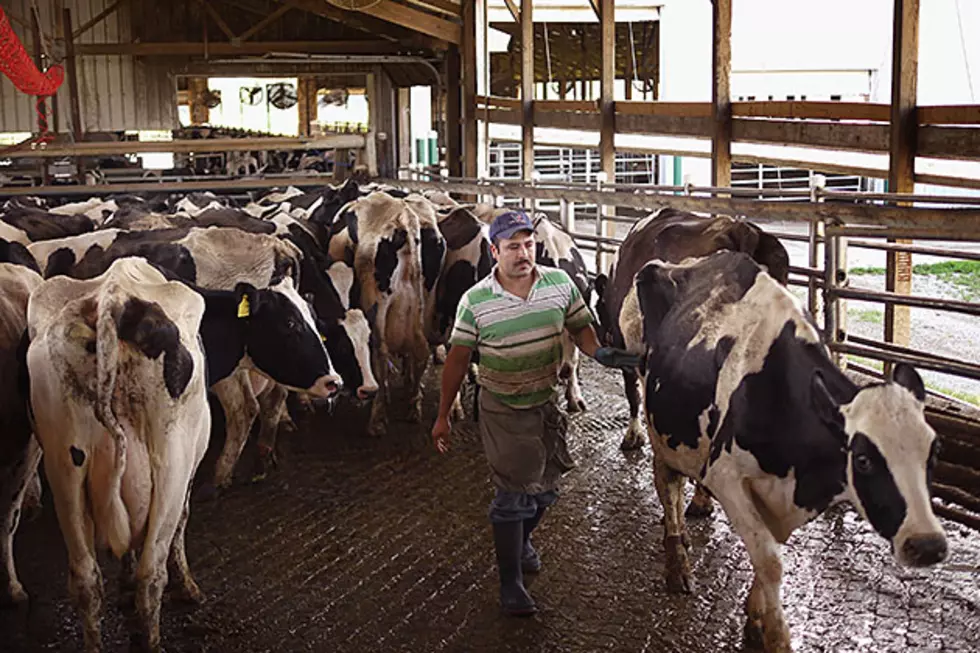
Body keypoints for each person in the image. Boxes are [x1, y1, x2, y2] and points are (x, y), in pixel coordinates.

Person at [431, 208, 639, 617]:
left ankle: (522, 540)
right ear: (495, 251)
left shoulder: (559, 284)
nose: (523, 253)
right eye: (513, 246)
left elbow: (580, 327)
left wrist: (599, 351)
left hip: (545, 403)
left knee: (544, 491)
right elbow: (456, 361)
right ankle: (511, 583)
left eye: (528, 244)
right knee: (512, 498)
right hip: (501, 407)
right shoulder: (475, 302)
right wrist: (442, 415)